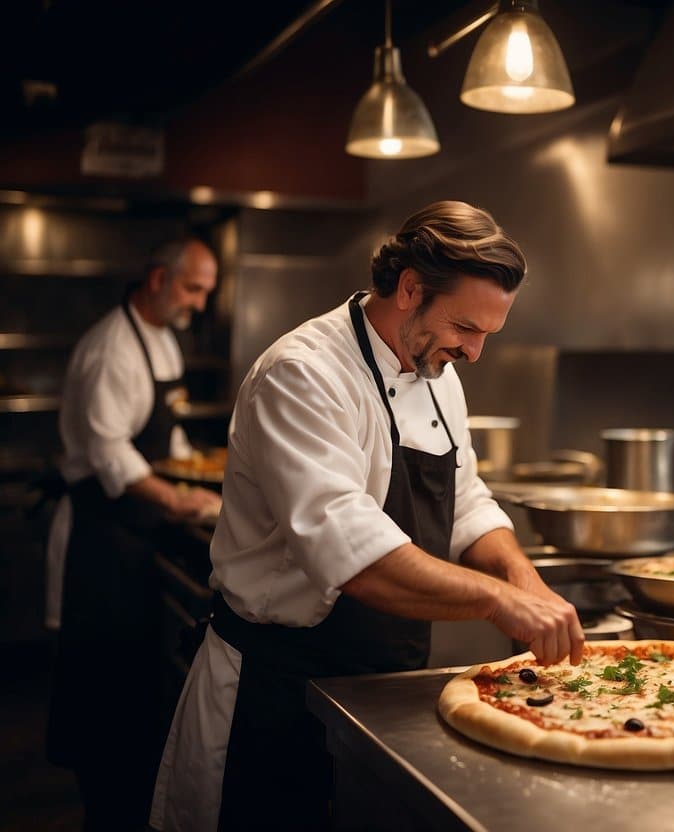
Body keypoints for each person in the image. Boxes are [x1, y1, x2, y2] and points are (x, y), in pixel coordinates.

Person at [150, 201, 584, 832]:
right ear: (410, 288)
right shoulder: (302, 374)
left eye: (489, 333)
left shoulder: (439, 372)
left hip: (385, 691)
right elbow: (353, 555)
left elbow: (465, 500)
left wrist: (524, 578)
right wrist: (498, 602)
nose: (477, 351)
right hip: (276, 694)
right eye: (467, 327)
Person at [46, 237, 223, 831]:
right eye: (193, 289)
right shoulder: (110, 350)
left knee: (132, 684)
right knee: (101, 680)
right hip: (101, 533)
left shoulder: (163, 338)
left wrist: (191, 470)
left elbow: (163, 438)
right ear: (157, 279)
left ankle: (130, 796)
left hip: (137, 533)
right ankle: (106, 806)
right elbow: (110, 456)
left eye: (205, 291)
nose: (199, 304)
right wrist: (178, 497)